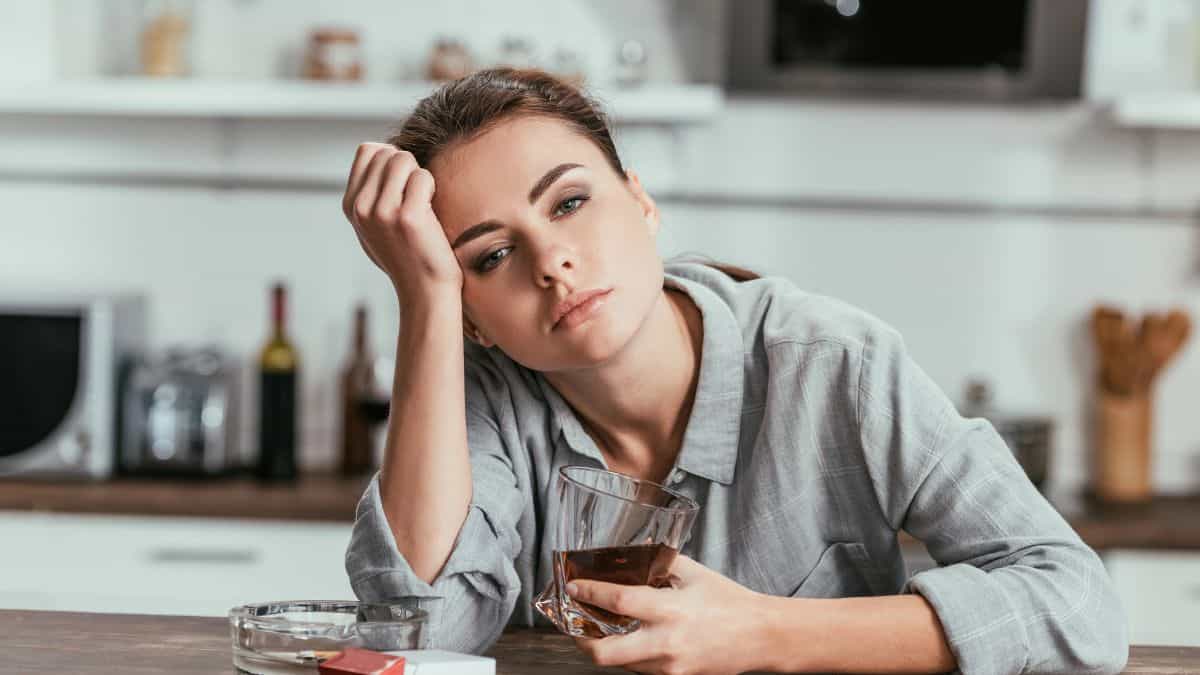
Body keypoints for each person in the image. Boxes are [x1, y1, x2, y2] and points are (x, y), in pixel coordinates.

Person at [341, 67, 1128, 675]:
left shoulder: (832, 365)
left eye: (570, 202)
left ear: (640, 201)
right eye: (493, 255)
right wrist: (424, 303)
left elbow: (1078, 604)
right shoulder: (483, 406)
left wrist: (762, 630)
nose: (552, 262)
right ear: (472, 312)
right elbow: (418, 640)